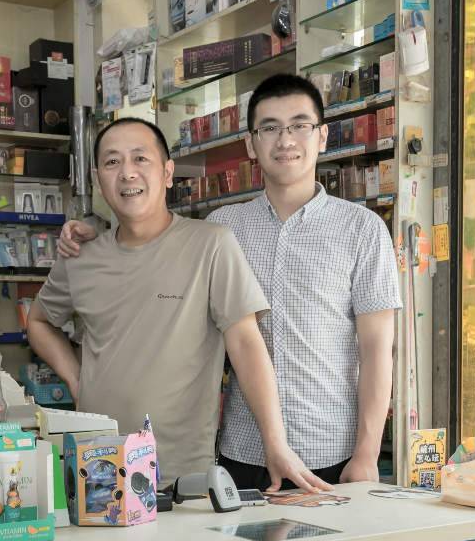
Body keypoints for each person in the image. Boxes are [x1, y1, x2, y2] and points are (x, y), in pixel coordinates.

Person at [58, 74, 402, 491]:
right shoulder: (223, 227)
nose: (285, 140)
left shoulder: (362, 230)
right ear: (251, 145)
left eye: (299, 126)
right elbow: (151, 247)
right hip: (241, 451)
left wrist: (366, 454)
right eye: (270, 128)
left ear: (323, 136)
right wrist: (98, 236)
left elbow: (377, 351)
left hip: (331, 452)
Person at [30, 117, 324, 488]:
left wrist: (275, 442)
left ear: (168, 172)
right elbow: (39, 322)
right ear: (97, 178)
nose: (127, 173)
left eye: (141, 159)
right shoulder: (80, 256)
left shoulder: (210, 244)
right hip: (97, 470)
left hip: (180, 477)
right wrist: (77, 380)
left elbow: (247, 343)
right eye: (112, 162)